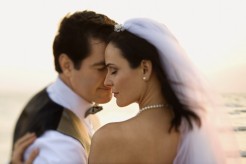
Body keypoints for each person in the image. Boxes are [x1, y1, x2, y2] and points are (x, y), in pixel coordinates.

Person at [12, 18, 240, 164]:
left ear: (144, 68)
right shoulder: (193, 127)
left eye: (112, 70)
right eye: (103, 69)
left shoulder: (111, 137)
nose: (108, 81)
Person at [11, 10, 116, 163]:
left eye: (114, 67)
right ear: (67, 65)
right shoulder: (62, 148)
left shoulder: (45, 98)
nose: (111, 79)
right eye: (101, 68)